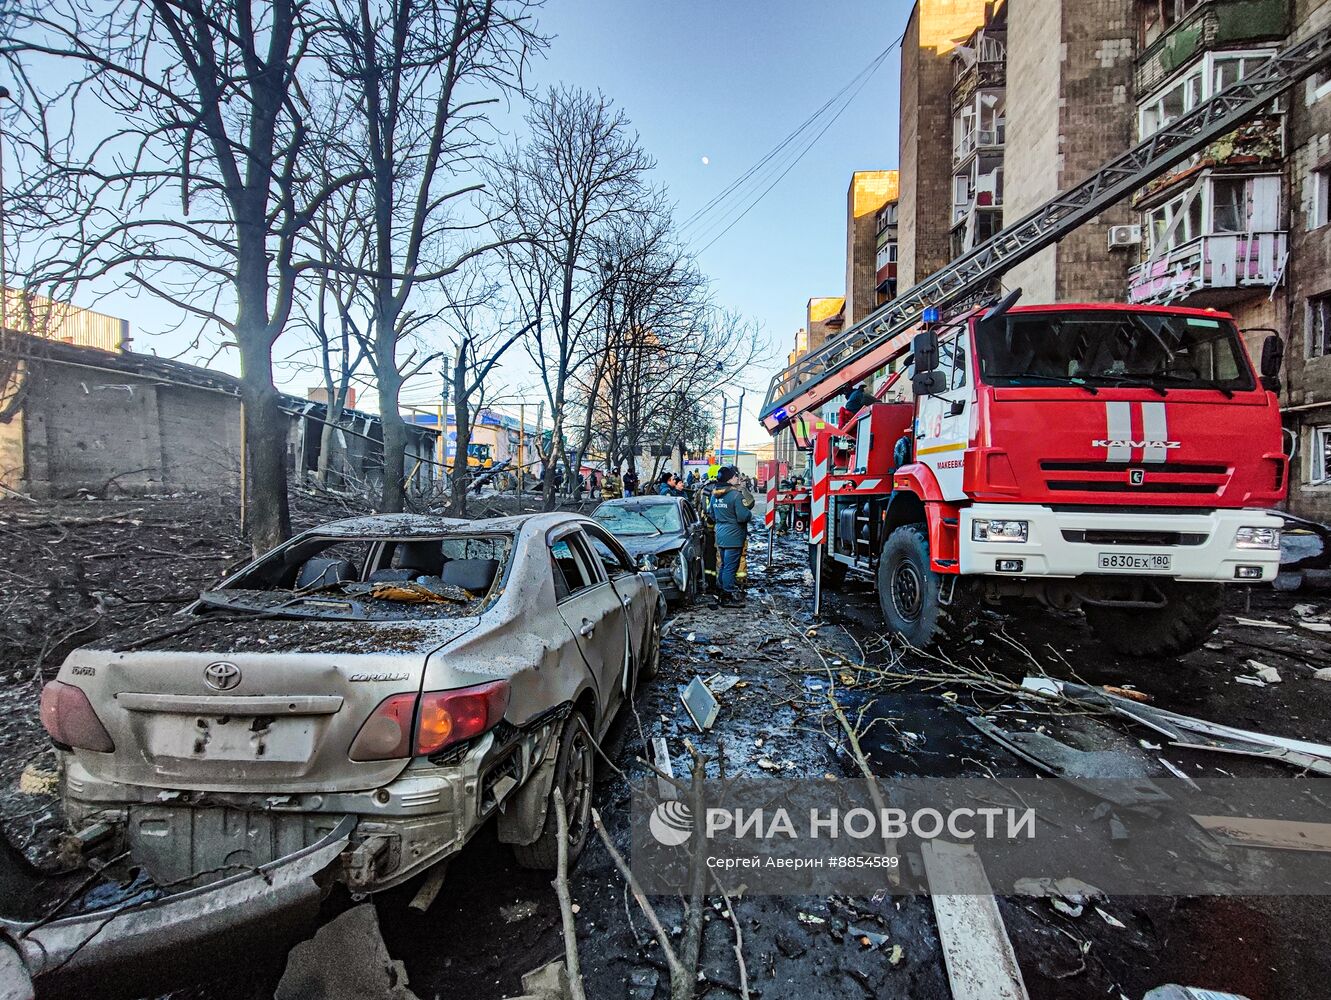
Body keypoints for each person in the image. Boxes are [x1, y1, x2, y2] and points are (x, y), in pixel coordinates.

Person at [708, 466, 754, 606]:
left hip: (720, 534)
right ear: (730, 479)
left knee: (723, 565)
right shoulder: (735, 495)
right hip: (734, 536)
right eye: (735, 476)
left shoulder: (714, 494)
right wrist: (749, 514)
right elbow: (743, 516)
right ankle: (728, 596)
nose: (737, 478)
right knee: (730, 567)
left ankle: (721, 591)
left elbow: (712, 514)